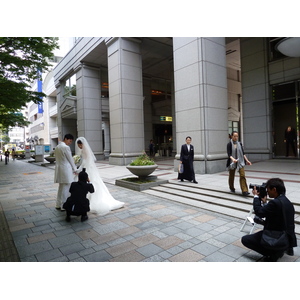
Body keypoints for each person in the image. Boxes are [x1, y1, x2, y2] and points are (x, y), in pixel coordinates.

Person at [241, 178, 297, 262]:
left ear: (274, 189)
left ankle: (272, 253)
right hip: (286, 238)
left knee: (245, 240)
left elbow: (259, 212)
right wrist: (264, 202)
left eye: (268, 190)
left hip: (276, 237)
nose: (267, 192)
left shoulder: (275, 203)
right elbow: (274, 214)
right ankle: (278, 250)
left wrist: (256, 196)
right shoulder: (286, 201)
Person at [75, 137, 125, 215]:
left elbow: (86, 161)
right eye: (78, 146)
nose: (79, 147)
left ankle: (90, 200)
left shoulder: (85, 150)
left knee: (91, 182)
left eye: (80, 145)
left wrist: (78, 169)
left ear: (82, 144)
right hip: (88, 167)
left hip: (88, 168)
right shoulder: (84, 150)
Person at [54, 134, 78, 211]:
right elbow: (70, 159)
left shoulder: (57, 147)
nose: (70, 143)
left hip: (59, 169)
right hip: (66, 169)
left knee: (61, 186)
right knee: (66, 187)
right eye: (69, 141)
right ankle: (63, 205)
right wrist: (75, 169)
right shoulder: (66, 147)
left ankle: (58, 204)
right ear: (66, 139)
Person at [226, 131, 252, 196]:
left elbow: (243, 153)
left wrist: (247, 160)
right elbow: (229, 154)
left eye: (237, 136)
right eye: (234, 136)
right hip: (232, 162)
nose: (236, 137)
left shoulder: (239, 144)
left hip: (240, 162)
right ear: (232, 136)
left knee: (242, 175)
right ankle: (231, 187)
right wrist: (233, 159)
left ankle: (244, 190)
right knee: (231, 176)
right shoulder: (229, 144)